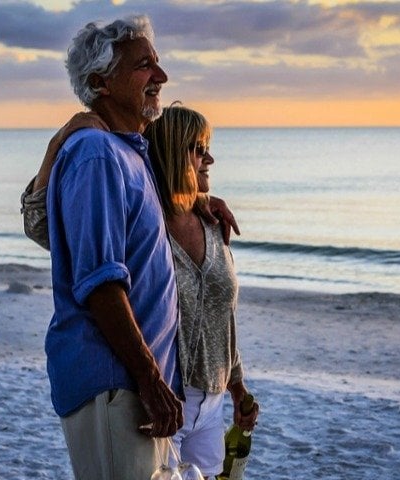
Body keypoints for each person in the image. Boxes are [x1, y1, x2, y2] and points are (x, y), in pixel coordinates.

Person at [43, 15, 182, 479]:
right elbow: (100, 282)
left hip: (138, 387)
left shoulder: (127, 152)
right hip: (116, 385)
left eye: (157, 65)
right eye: (144, 66)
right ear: (101, 82)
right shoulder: (96, 154)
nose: (160, 77)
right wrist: (149, 377)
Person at [144, 105, 259, 478]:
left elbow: (222, 317)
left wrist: (237, 388)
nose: (209, 158)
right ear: (174, 153)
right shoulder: (148, 225)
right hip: (165, 402)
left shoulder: (212, 224)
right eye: (198, 148)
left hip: (212, 401)